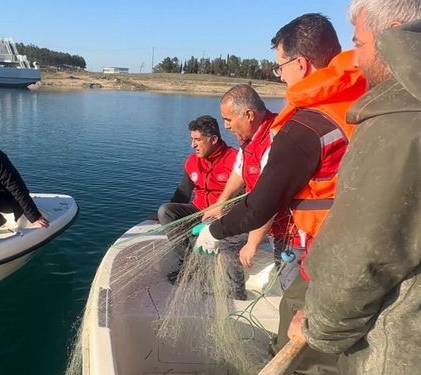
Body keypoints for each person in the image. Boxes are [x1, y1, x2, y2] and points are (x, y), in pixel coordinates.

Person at [193, 13, 367, 374]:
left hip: (327, 248)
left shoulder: (306, 127)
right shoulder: (364, 102)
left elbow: (259, 207)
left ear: (301, 64)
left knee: (295, 322)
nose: (280, 75)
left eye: (281, 66)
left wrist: (215, 230)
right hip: (362, 236)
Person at [286, 2, 421, 374]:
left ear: (394, 33)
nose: (356, 60)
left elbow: (362, 256)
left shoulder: (401, 124)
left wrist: (317, 327)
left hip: (402, 350)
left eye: (359, 44)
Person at [208, 84, 304, 291]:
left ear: (249, 115)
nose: (225, 126)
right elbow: (239, 171)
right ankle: (234, 296)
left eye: (228, 119)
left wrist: (252, 244)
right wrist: (220, 203)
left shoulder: (277, 140)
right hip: (261, 217)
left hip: (291, 230)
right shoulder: (250, 139)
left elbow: (270, 200)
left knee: (291, 289)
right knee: (226, 242)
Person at [156, 115, 247, 299]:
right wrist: (159, 215)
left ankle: (221, 282)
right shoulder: (192, 161)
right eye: (192, 139)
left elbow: (245, 198)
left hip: (223, 214)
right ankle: (190, 263)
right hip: (198, 210)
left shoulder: (236, 161)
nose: (193, 145)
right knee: (165, 211)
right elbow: (182, 192)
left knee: (212, 229)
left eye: (197, 140)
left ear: (213, 139)